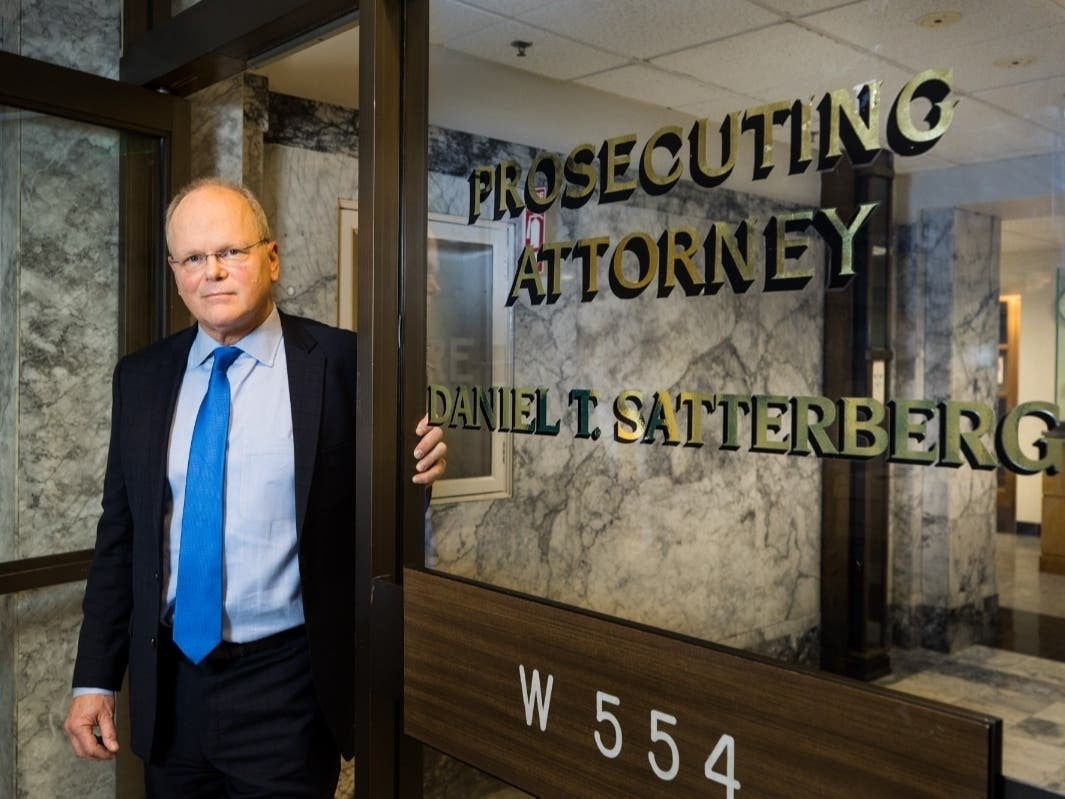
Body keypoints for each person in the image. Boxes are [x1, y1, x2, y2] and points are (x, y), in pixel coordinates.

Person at [62, 177, 445, 797]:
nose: (212, 272)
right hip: (170, 688)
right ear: (175, 271)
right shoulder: (141, 377)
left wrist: (420, 473)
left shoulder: (349, 365)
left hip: (287, 688)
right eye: (193, 258)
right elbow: (120, 537)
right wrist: (93, 680)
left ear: (271, 257)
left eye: (231, 252)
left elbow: (390, 509)